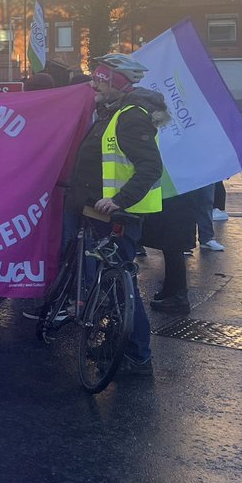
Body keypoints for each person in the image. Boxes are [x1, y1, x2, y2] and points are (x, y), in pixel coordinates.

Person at [62, 52, 168, 376]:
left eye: (100, 80)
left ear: (117, 84)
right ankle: (118, 340)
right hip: (99, 211)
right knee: (112, 283)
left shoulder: (131, 116)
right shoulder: (112, 111)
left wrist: (120, 200)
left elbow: (151, 167)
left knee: (123, 286)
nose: (93, 84)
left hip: (119, 216)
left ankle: (137, 354)